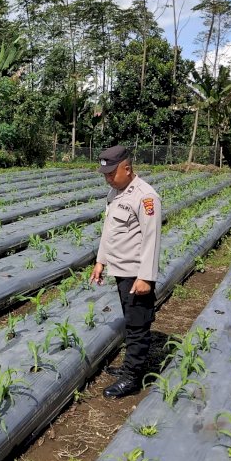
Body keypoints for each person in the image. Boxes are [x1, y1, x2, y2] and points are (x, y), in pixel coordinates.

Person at [89, 145, 162, 398]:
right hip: (120, 270)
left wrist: (146, 277)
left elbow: (152, 239)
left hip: (135, 274)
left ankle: (133, 377)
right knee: (130, 322)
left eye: (112, 173)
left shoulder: (146, 197)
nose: (108, 178)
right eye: (105, 174)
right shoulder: (115, 193)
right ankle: (130, 367)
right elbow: (109, 232)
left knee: (138, 325)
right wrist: (101, 261)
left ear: (127, 168)